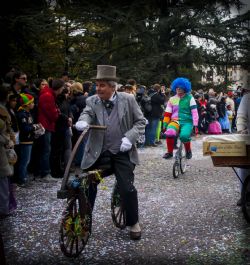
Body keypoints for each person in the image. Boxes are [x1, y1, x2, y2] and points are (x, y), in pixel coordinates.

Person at [75, 65, 146, 240]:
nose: (98, 89)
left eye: (102, 85)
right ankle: (85, 221)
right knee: (86, 184)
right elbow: (87, 113)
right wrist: (83, 121)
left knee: (127, 189)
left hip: (122, 152)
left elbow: (141, 122)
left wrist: (129, 138)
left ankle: (133, 222)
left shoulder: (128, 99)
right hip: (99, 153)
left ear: (113, 86)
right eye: (97, 85)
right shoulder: (92, 101)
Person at [162, 77, 198, 159]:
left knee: (184, 136)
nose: (178, 88)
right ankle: (169, 152)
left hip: (187, 122)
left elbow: (194, 112)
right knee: (170, 132)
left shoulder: (190, 98)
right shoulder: (172, 99)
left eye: (180, 87)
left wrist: (195, 124)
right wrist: (165, 124)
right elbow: (167, 113)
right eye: (177, 87)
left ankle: (188, 150)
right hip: (175, 121)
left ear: (185, 88)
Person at [37, 79, 63, 182]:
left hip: (46, 125)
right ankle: (45, 173)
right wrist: (57, 111)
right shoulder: (48, 96)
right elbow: (53, 115)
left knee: (45, 149)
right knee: (46, 150)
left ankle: (42, 171)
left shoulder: (48, 94)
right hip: (46, 126)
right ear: (59, 88)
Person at [16, 93, 44, 186]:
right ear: (27, 104)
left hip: (29, 139)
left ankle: (24, 177)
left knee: (26, 160)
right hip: (25, 140)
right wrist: (35, 127)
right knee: (25, 161)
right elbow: (25, 128)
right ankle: (22, 179)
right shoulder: (22, 114)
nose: (34, 104)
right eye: (32, 103)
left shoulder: (27, 113)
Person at [236, 88, 250, 206]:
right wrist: (241, 129)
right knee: (244, 167)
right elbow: (241, 116)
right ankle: (244, 194)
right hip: (248, 137)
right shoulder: (247, 98)